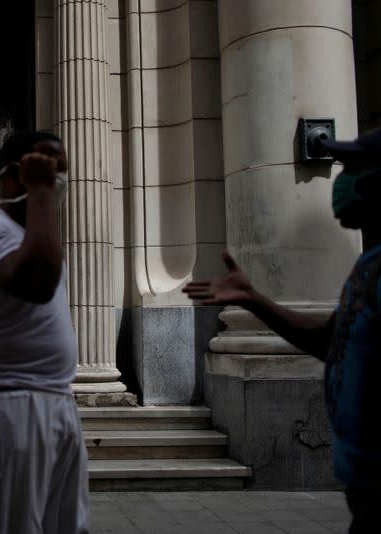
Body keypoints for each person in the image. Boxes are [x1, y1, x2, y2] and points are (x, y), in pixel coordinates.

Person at [183, 128, 381, 534]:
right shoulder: (369, 267)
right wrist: (255, 301)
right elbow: (331, 342)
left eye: (354, 170)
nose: (340, 183)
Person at [0, 131, 88, 534]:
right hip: (10, 403)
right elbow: (39, 282)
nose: (56, 177)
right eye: (45, 166)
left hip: (55, 399)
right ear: (13, 175)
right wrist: (42, 195)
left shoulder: (32, 232)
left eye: (59, 168)